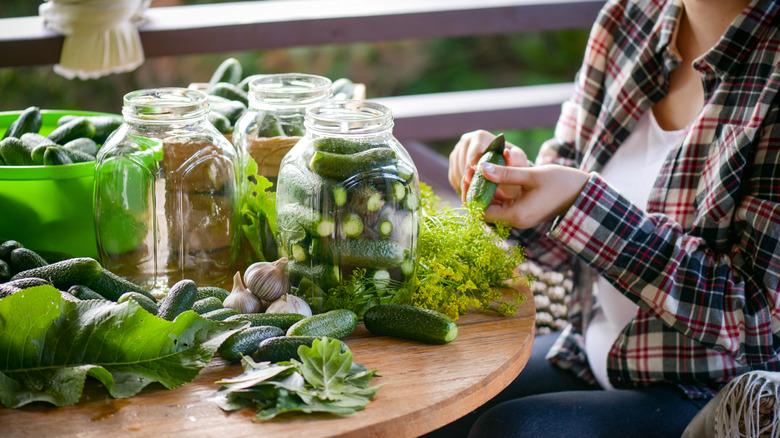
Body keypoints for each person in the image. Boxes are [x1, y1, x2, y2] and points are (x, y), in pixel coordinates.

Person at [443, 0, 780, 436]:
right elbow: (563, 246)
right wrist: (517, 190)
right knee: (445, 394)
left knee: (510, 431)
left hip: (707, 396)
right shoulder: (627, 18)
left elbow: (756, 318)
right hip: (587, 352)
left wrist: (581, 201)